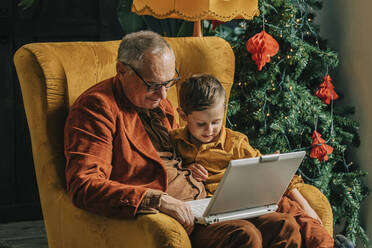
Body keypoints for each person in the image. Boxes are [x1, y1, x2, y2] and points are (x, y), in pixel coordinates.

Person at [64, 30, 305, 247]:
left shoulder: (159, 103)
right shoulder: (96, 108)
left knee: (285, 226)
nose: (163, 94)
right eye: (153, 85)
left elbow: (172, 157)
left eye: (168, 83)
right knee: (244, 234)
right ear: (122, 71)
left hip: (204, 203)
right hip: (170, 215)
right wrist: (158, 200)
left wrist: (190, 168)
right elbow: (84, 185)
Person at [170, 74, 334, 248]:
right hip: (211, 216)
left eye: (216, 122)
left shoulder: (236, 143)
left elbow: (270, 169)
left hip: (244, 206)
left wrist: (305, 205)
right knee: (249, 231)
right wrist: (186, 170)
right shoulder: (174, 142)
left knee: (286, 224)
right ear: (183, 115)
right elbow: (166, 171)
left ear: (224, 112)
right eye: (201, 124)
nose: (209, 130)